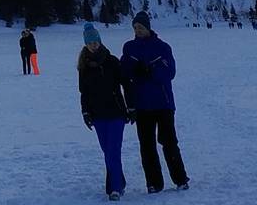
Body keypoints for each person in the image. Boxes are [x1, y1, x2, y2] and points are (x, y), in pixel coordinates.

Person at [121, 11, 190, 193]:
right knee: (147, 146)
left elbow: (170, 72)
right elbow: (124, 72)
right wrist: (133, 70)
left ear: (148, 28)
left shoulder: (162, 47)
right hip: (142, 105)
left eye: (141, 28)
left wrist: (151, 72)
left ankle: (180, 179)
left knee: (169, 143)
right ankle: (153, 183)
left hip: (163, 104)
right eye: (135, 28)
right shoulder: (129, 47)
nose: (138, 31)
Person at [79, 23, 130, 200]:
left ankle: (115, 188)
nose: (93, 45)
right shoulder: (84, 66)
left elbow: (126, 85)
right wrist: (86, 113)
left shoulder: (112, 61)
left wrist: (130, 107)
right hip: (98, 115)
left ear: (100, 41)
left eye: (96, 41)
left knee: (113, 150)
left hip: (116, 112)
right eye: (90, 42)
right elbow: (83, 93)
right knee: (107, 151)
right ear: (86, 44)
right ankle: (120, 182)